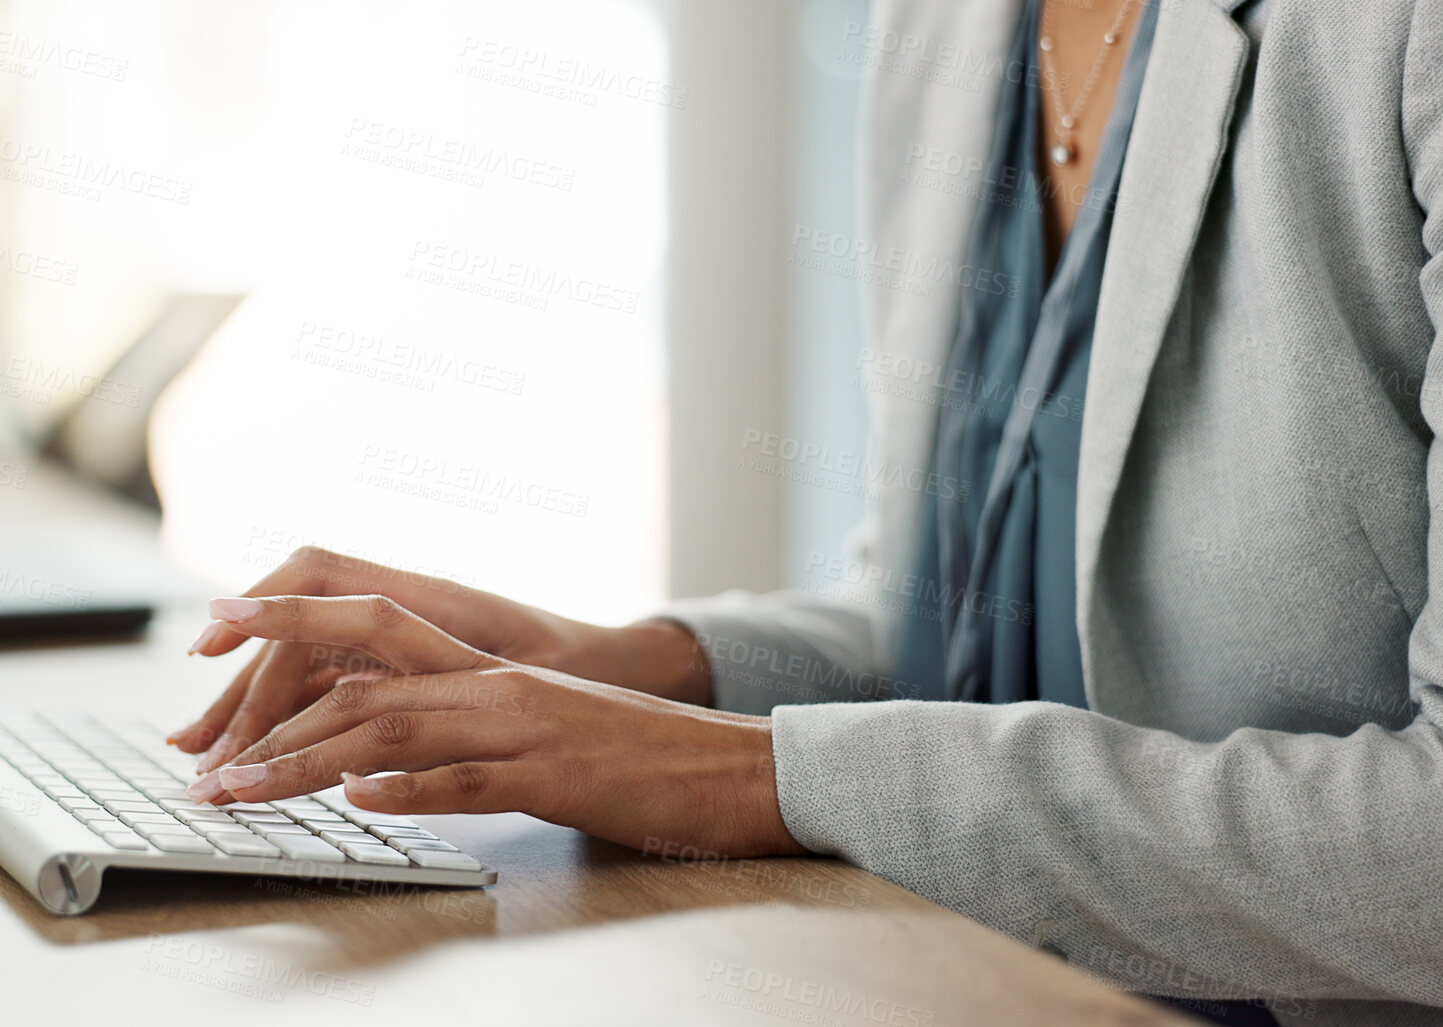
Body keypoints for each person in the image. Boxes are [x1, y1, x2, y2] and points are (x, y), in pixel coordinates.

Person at [169, 0, 1443, 1023]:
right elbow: (954, 630)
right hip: (931, 971)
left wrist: (747, 773)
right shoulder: (943, 29)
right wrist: (630, 668)